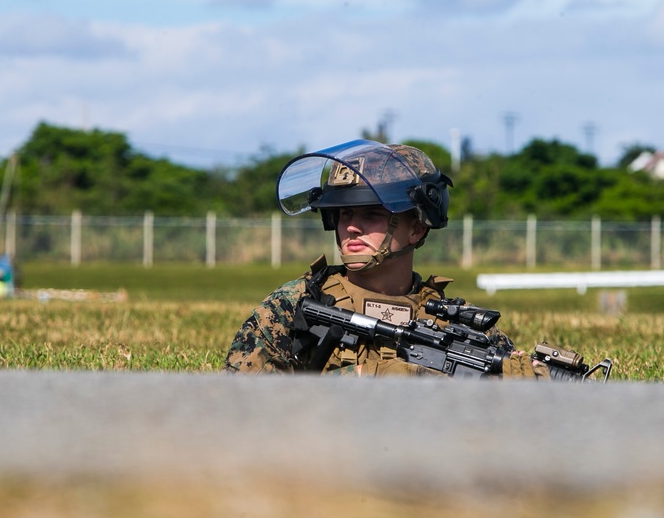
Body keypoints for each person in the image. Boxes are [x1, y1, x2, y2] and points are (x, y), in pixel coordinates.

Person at [222, 139, 547, 378]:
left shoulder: (457, 326)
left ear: (417, 229)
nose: (351, 226)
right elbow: (243, 402)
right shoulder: (297, 304)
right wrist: (371, 377)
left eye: (372, 214)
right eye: (344, 212)